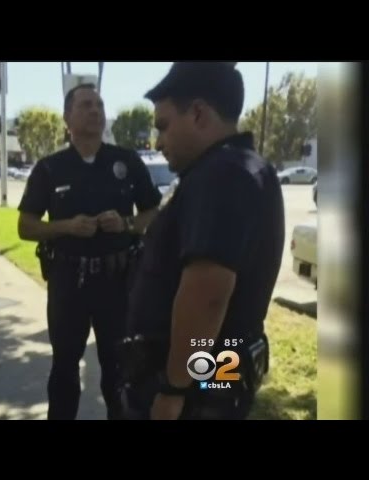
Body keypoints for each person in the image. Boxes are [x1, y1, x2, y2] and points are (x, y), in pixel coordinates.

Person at [121, 62, 284, 420]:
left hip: (192, 393)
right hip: (213, 377)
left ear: (198, 114)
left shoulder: (222, 174)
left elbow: (208, 294)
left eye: (163, 126)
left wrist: (174, 389)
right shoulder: (245, 167)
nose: (158, 142)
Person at [18, 84, 161, 420]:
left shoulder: (126, 161)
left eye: (99, 105)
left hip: (118, 283)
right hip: (69, 283)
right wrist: (66, 227)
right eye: (85, 105)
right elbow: (26, 226)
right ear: (67, 117)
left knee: (119, 371)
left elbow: (155, 213)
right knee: (64, 370)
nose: (95, 111)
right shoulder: (50, 168)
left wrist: (126, 223)